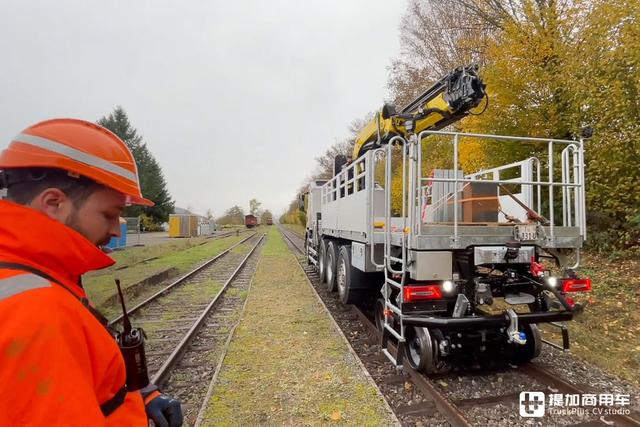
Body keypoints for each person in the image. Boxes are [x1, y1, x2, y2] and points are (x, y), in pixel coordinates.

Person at [0, 118, 183, 426]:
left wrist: (139, 396)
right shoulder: (36, 313)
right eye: (109, 214)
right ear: (54, 203)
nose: (116, 230)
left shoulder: (35, 275)